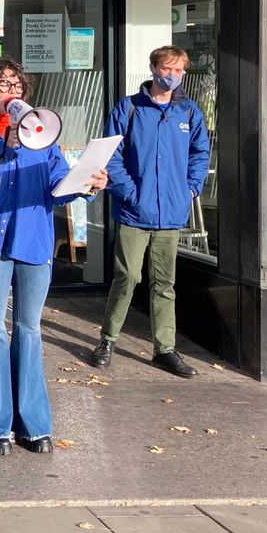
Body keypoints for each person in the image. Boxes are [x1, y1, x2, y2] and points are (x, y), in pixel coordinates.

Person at [0, 59, 108, 456]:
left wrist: (86, 184)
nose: (12, 92)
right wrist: (5, 151)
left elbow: (57, 183)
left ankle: (33, 424)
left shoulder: (42, 135)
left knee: (29, 329)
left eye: (17, 86)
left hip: (35, 241)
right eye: (3, 85)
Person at [90, 46, 211, 378]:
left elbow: (201, 152)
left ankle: (165, 349)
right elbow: (111, 154)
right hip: (133, 212)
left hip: (171, 213)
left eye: (179, 70)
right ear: (153, 68)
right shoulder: (129, 108)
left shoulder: (188, 112)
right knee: (127, 277)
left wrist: (190, 188)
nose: (172, 75)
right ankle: (107, 340)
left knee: (164, 283)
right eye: (167, 68)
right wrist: (130, 193)